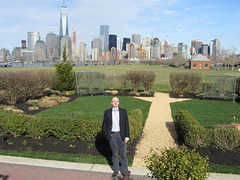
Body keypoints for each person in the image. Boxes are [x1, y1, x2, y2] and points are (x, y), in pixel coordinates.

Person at [102, 97, 131, 180]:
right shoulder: (107, 112)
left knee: (123, 154)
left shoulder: (123, 112)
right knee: (114, 154)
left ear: (118, 102)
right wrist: (107, 135)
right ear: (111, 102)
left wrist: (127, 136)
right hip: (112, 136)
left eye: (116, 101)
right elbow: (104, 125)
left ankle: (125, 171)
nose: (115, 102)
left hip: (121, 135)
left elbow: (126, 125)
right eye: (114, 101)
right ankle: (116, 170)